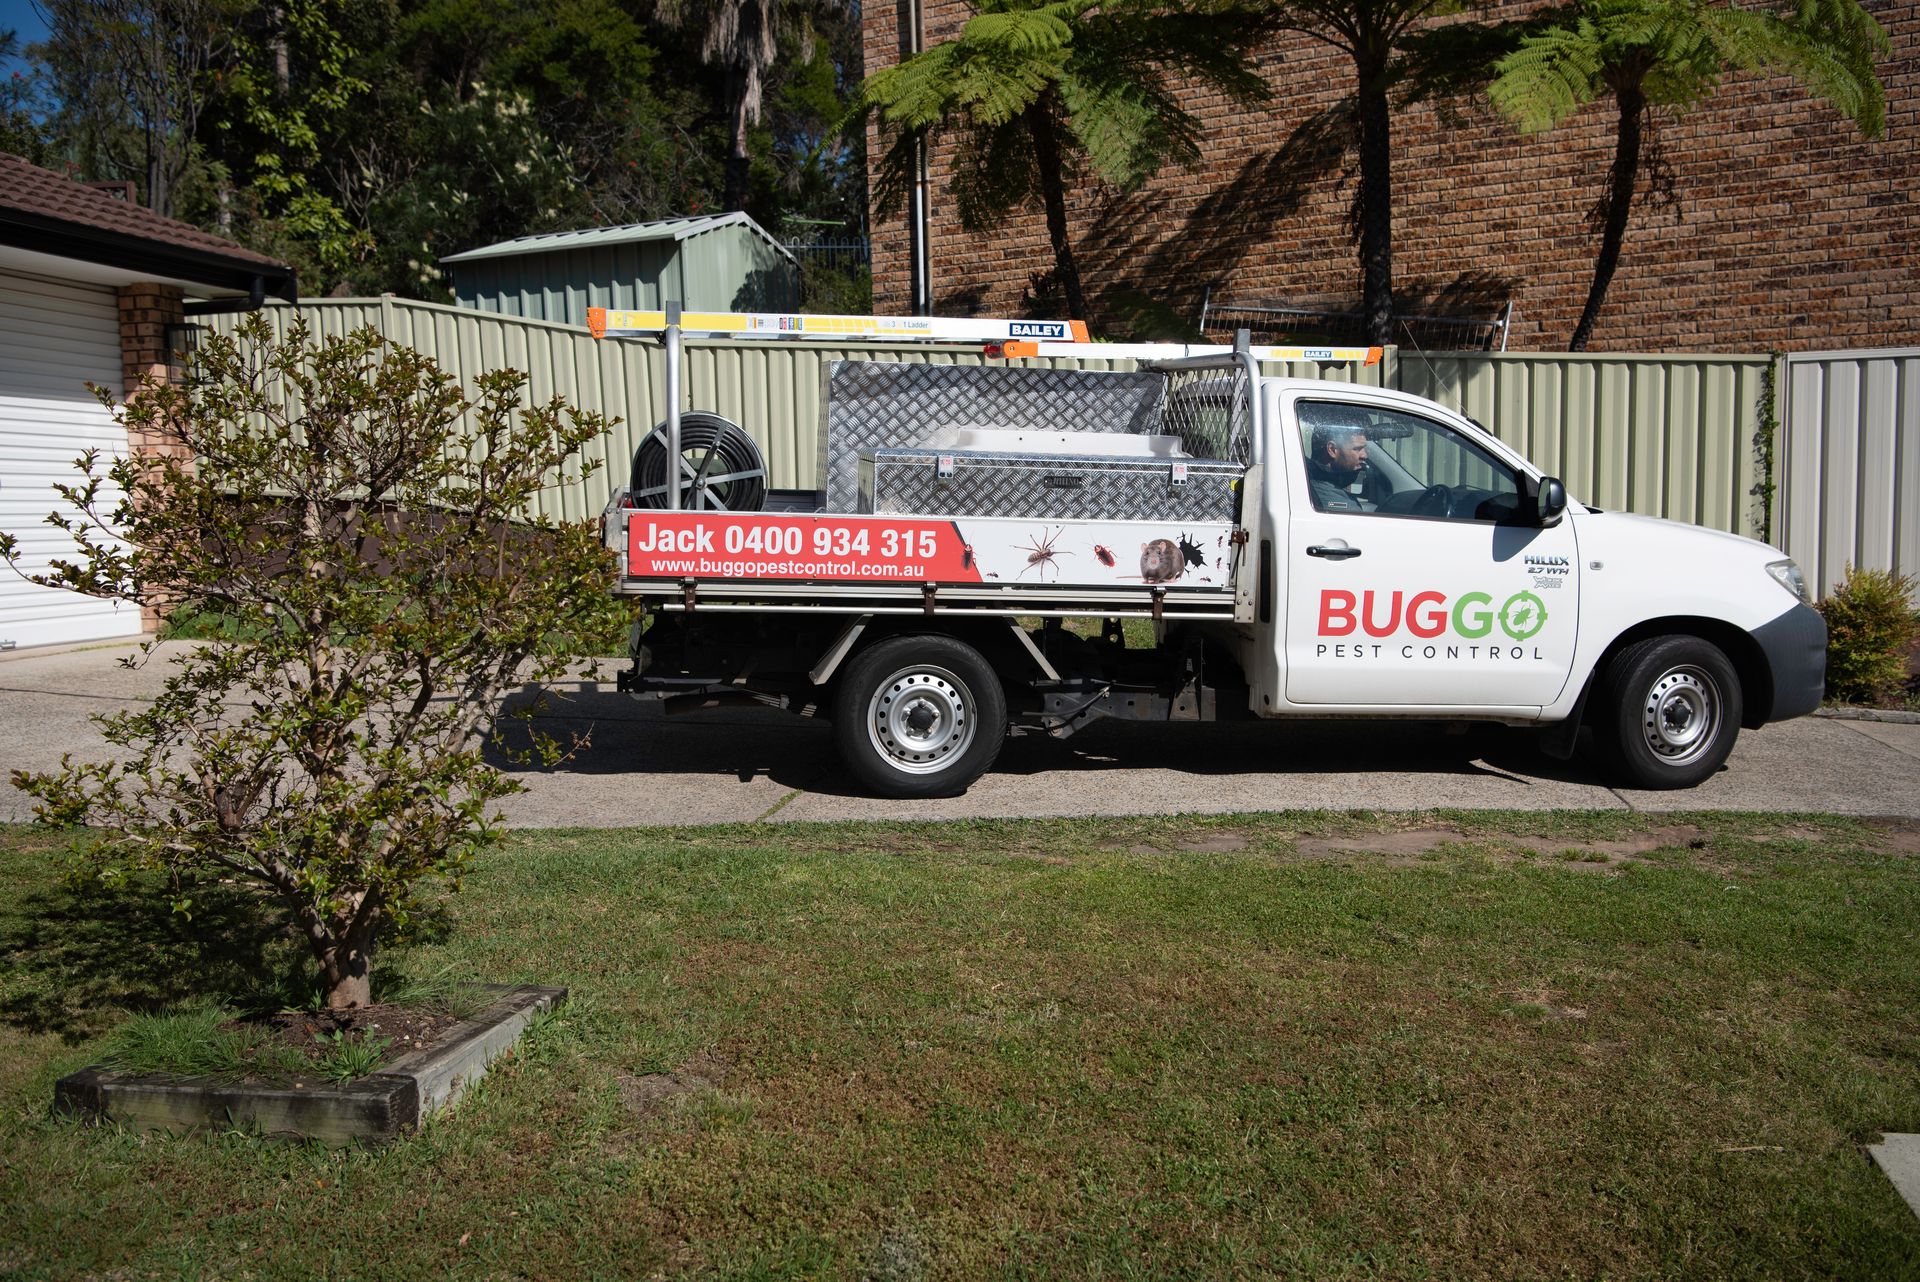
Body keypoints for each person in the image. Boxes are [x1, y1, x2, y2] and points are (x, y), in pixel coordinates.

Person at [1305, 420, 1375, 512]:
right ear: (1332, 450)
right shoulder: (1345, 507)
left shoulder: (1310, 482)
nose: (1364, 455)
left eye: (1364, 448)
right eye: (1357, 449)